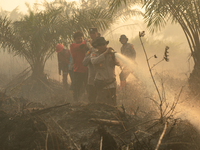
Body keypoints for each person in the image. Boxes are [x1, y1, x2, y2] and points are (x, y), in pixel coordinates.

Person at [91, 37, 120, 106]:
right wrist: (105, 53)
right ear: (97, 47)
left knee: (113, 104)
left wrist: (115, 58)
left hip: (112, 84)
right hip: (102, 84)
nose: (103, 46)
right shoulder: (94, 54)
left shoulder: (111, 54)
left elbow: (119, 63)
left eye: (104, 44)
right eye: (100, 45)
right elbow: (94, 61)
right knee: (102, 104)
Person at [82, 27, 99, 103]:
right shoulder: (90, 43)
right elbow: (84, 62)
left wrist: (89, 45)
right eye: (90, 33)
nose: (92, 35)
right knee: (91, 86)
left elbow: (97, 51)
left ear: (97, 33)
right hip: (91, 71)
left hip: (99, 73)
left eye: (93, 33)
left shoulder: (100, 41)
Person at [70, 31, 87, 102]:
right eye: (78, 39)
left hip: (86, 70)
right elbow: (81, 46)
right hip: (77, 71)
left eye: (81, 38)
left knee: (88, 88)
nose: (80, 40)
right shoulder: (73, 46)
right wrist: (86, 41)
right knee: (76, 89)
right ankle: (76, 102)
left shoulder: (84, 44)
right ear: (74, 40)